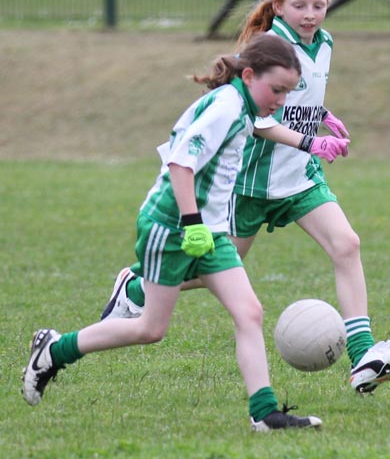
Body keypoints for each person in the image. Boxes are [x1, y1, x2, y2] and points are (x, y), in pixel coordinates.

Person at [101, 0, 390, 395]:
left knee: (347, 244)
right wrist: (310, 142)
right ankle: (135, 284)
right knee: (221, 268)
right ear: (278, 5)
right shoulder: (269, 44)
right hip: (249, 182)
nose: (310, 14)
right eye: (300, 5)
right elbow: (257, 119)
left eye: (318, 5)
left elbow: (295, 97)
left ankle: (363, 355)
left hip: (299, 179)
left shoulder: (323, 43)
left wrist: (322, 116)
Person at [22, 33, 326, 432]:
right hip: (170, 226)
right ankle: (54, 351)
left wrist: (313, 134)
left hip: (208, 229)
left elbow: (262, 127)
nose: (281, 100)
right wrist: (192, 224)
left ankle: (265, 414)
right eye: (277, 90)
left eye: (288, 92)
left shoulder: (244, 104)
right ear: (249, 75)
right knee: (151, 329)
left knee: (249, 312)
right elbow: (181, 165)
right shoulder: (226, 108)